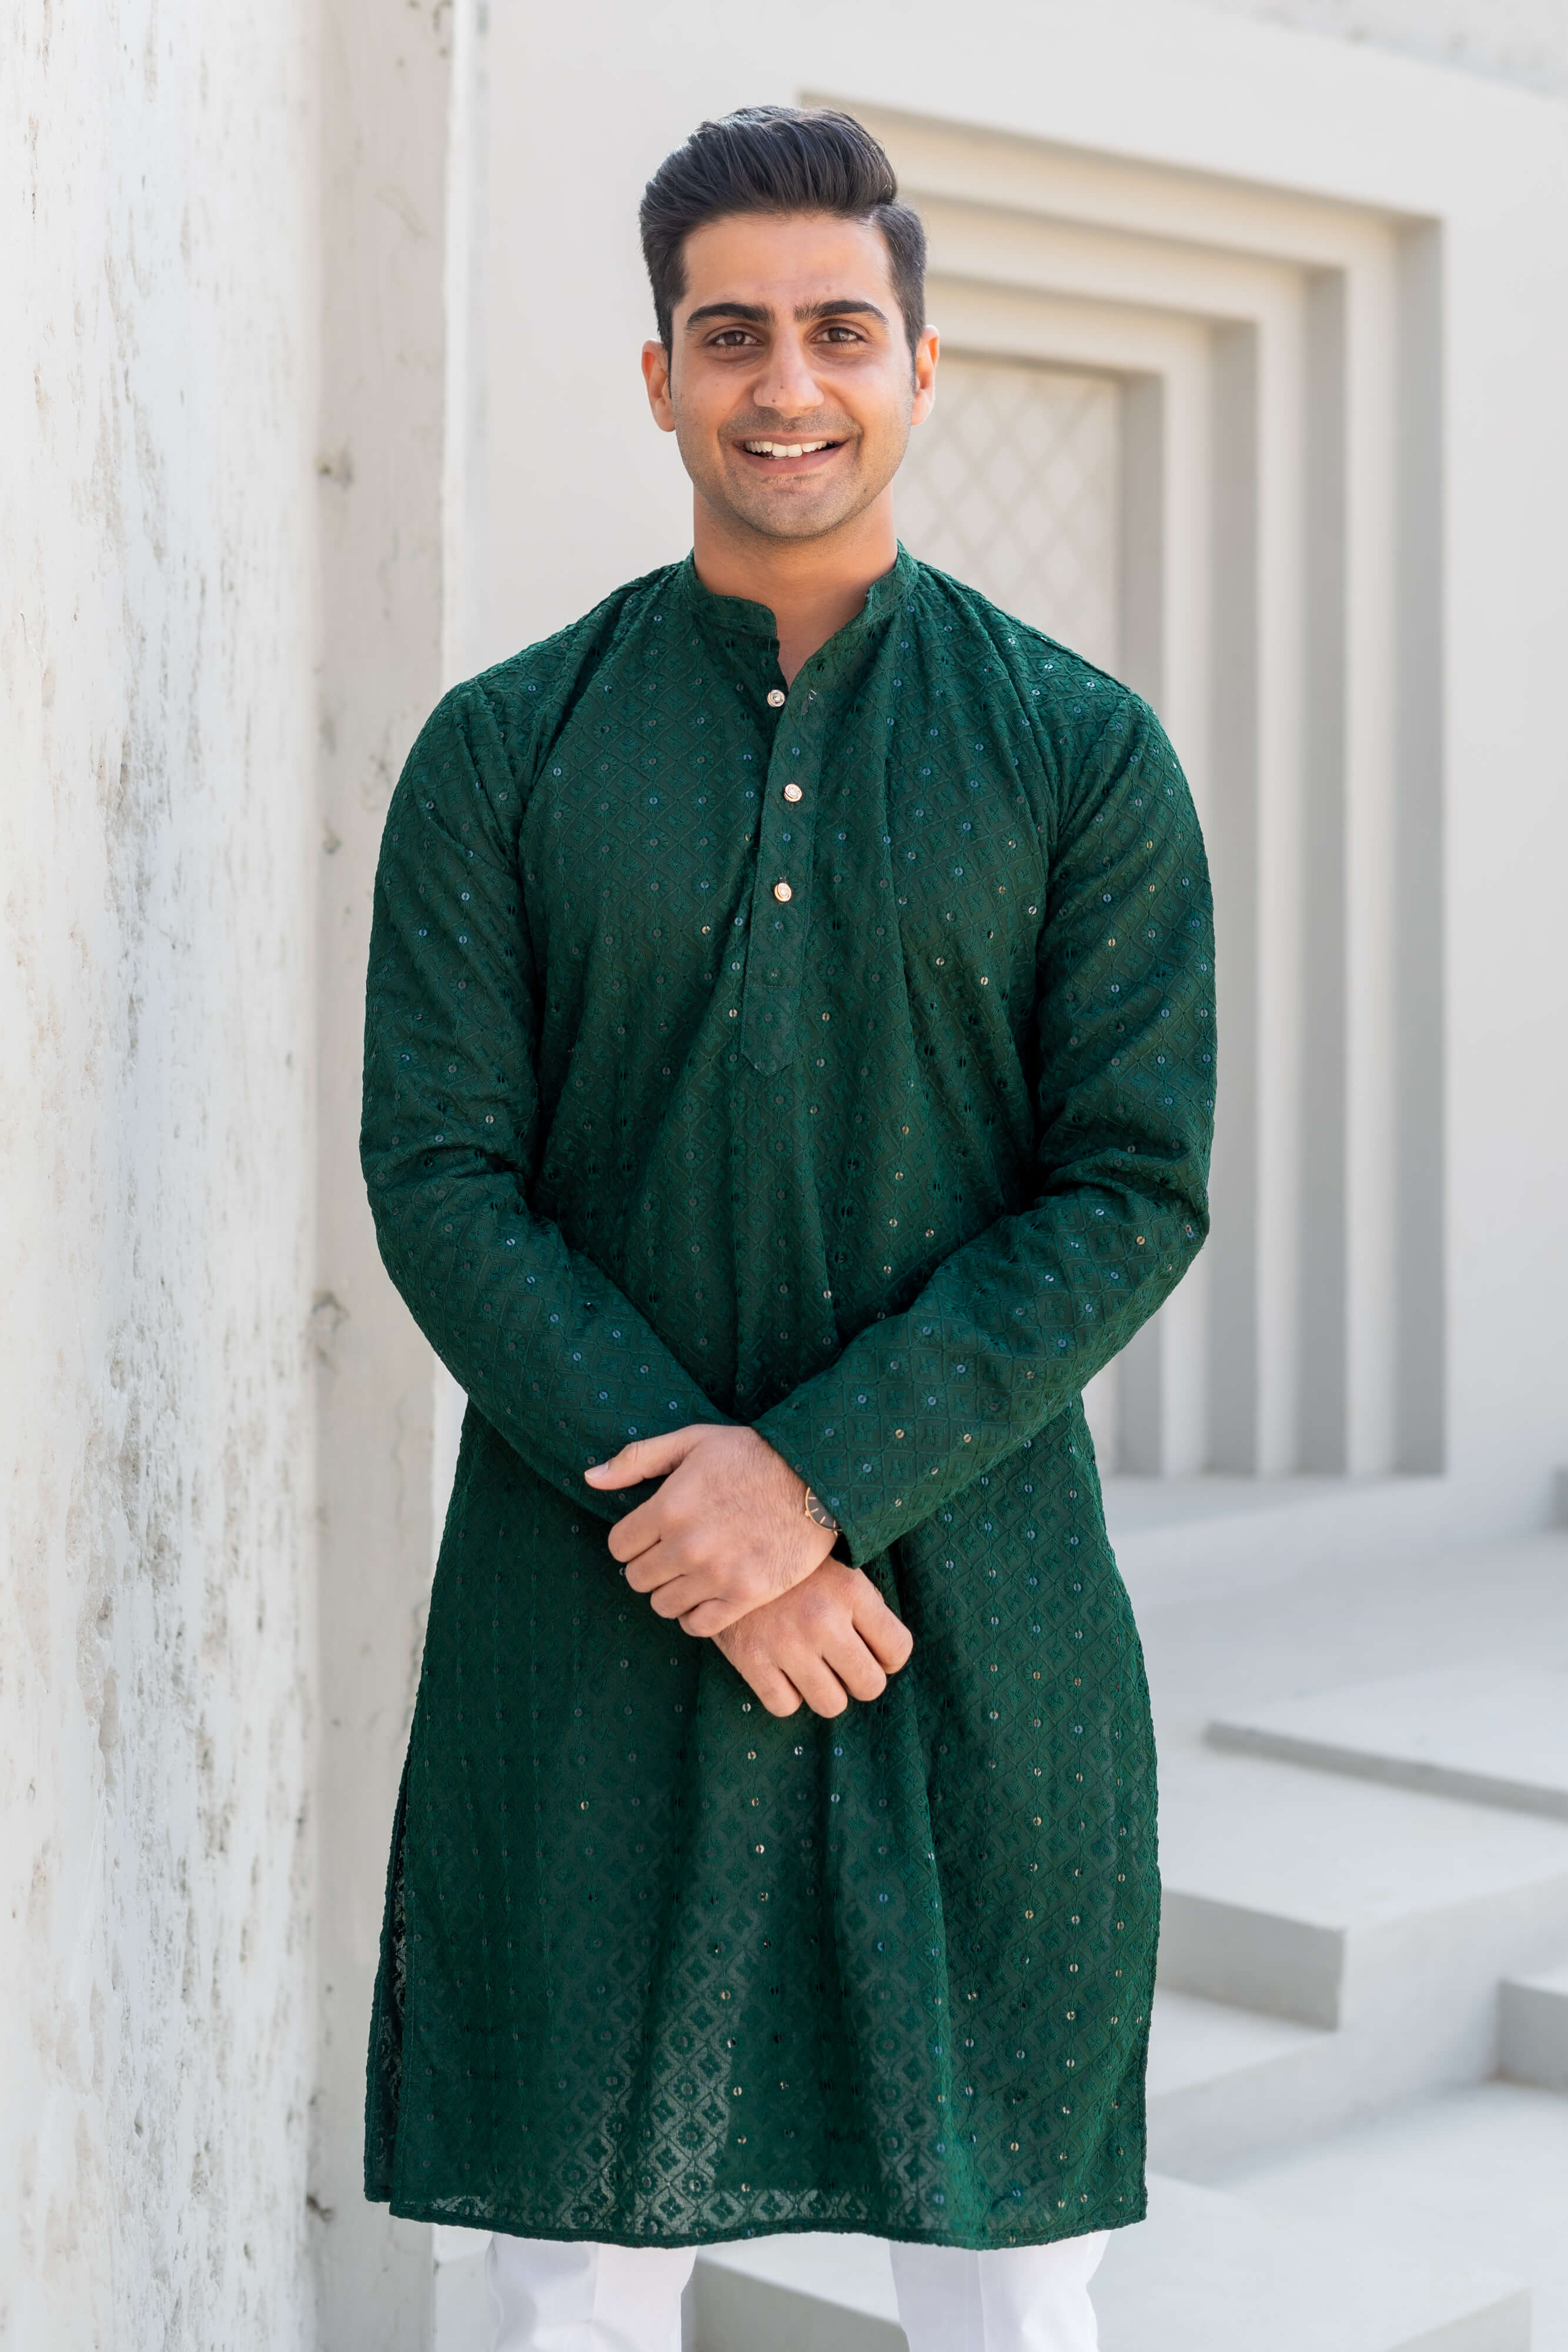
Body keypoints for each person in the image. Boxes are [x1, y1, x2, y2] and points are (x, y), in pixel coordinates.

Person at [360, 105, 1214, 2352]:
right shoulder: (502, 751)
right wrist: (695, 1505)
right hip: (588, 1618)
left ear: (923, 369)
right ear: (656, 378)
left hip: (975, 1624)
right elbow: (439, 1171)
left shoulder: (1077, 754)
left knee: (1011, 2277)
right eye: (728, 333)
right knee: (555, 2274)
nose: (786, 380)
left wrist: (808, 1486)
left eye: (840, 328)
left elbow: (1128, 1181)